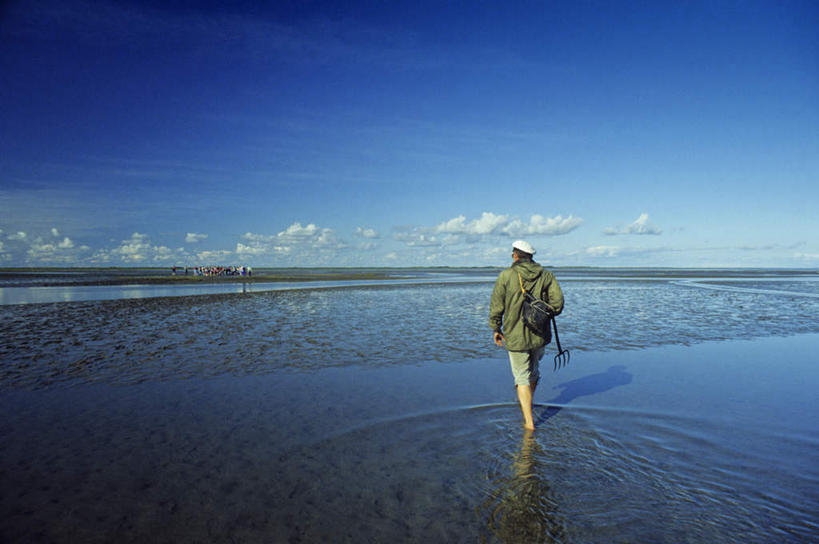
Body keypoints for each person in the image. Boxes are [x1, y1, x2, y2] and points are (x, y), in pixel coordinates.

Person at [489, 240, 564, 430]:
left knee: (521, 377)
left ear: (515, 255)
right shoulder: (546, 275)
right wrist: (541, 312)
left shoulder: (505, 276)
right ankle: (527, 403)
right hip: (540, 334)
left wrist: (496, 328)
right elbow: (558, 304)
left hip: (515, 335)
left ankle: (529, 423)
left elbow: (497, 306)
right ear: (531, 256)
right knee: (534, 372)